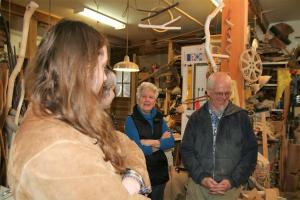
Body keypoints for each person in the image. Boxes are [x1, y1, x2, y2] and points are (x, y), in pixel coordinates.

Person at [7, 19, 151, 200]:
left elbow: (124, 143)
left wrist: (133, 177)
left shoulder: (60, 116)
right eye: (101, 66)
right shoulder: (59, 148)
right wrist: (128, 190)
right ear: (83, 69)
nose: (104, 77)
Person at [181, 72, 258, 200]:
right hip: (199, 188)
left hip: (230, 190)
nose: (224, 97)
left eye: (227, 93)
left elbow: (250, 153)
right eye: (219, 93)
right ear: (208, 92)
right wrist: (202, 177)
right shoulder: (196, 118)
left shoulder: (241, 117)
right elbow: (187, 151)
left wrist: (232, 180)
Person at [125, 82, 175, 200]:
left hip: (159, 173)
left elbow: (171, 142)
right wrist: (160, 142)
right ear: (138, 98)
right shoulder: (130, 120)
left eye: (151, 97)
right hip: (140, 172)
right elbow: (137, 149)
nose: (147, 100)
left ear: (155, 100)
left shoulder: (159, 118)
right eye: (144, 96)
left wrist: (149, 142)